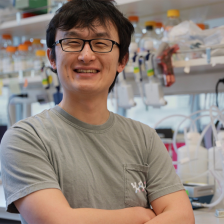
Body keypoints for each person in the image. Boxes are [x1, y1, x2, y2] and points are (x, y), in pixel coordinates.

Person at [0, 0, 194, 224]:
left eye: (101, 44)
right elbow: (59, 221)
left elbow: (182, 216)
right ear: (52, 58)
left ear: (122, 60)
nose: (86, 55)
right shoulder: (26, 138)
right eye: (72, 42)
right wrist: (137, 215)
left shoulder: (145, 139)